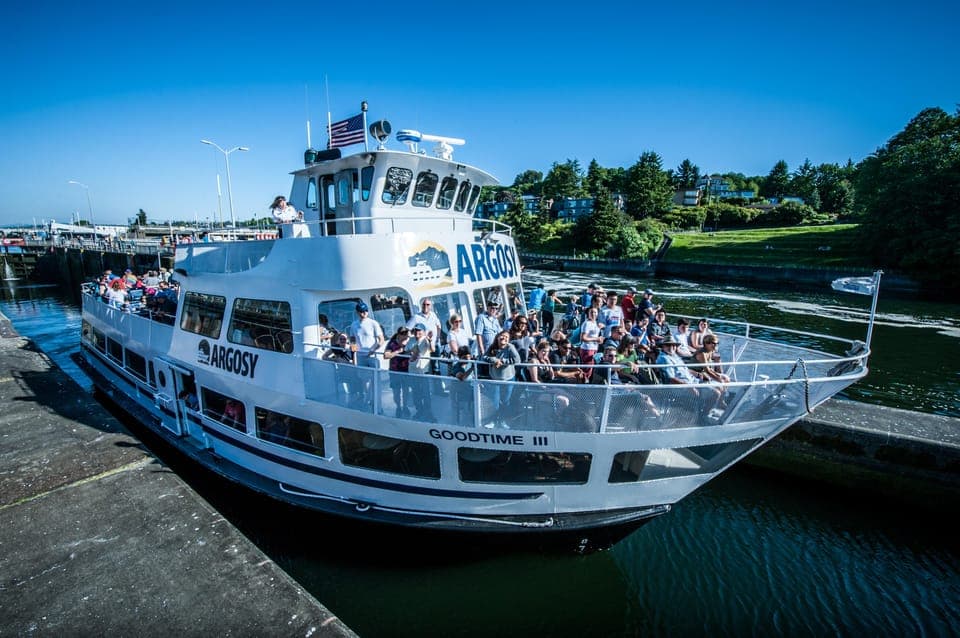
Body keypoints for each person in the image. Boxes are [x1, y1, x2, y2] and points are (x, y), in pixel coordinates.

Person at [482, 331, 520, 424]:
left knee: (505, 401)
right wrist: (494, 360)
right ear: (497, 337)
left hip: (508, 379)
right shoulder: (492, 347)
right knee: (495, 402)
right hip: (495, 379)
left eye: (507, 337)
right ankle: (493, 420)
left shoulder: (510, 347)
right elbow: (484, 357)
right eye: (502, 336)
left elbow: (517, 360)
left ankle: (502, 420)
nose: (504, 338)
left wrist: (502, 361)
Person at [405, 323, 435, 420]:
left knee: (426, 394)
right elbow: (406, 351)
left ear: (423, 331)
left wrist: (430, 340)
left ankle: (428, 413)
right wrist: (411, 351)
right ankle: (419, 411)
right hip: (413, 371)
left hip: (423, 372)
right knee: (416, 393)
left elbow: (432, 349)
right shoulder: (411, 340)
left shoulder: (426, 340)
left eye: (419, 330)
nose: (417, 332)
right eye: (416, 330)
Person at [383, 326, 412, 418]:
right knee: (396, 391)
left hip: (406, 370)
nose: (406, 336)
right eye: (403, 334)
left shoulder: (409, 343)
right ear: (399, 334)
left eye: (407, 335)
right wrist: (398, 351)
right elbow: (386, 355)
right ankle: (398, 407)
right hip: (395, 371)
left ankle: (405, 406)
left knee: (406, 390)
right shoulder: (392, 343)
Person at [348, 302, 385, 368]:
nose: (364, 313)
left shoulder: (373, 323)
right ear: (357, 312)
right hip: (360, 355)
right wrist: (353, 347)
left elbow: (381, 340)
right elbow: (352, 338)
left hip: (372, 355)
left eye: (366, 310)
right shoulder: (354, 324)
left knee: (375, 375)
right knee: (362, 375)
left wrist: (373, 350)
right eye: (362, 311)